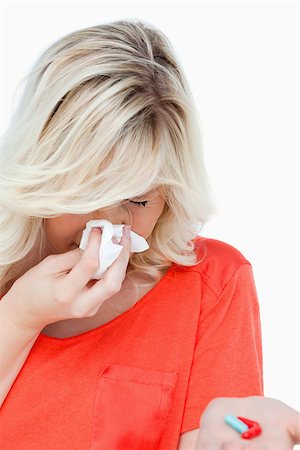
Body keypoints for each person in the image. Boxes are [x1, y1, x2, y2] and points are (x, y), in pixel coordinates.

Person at [0, 18, 291, 450]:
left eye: (138, 202)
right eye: (83, 194)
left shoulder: (212, 283)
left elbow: (216, 434)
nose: (110, 227)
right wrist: (20, 317)